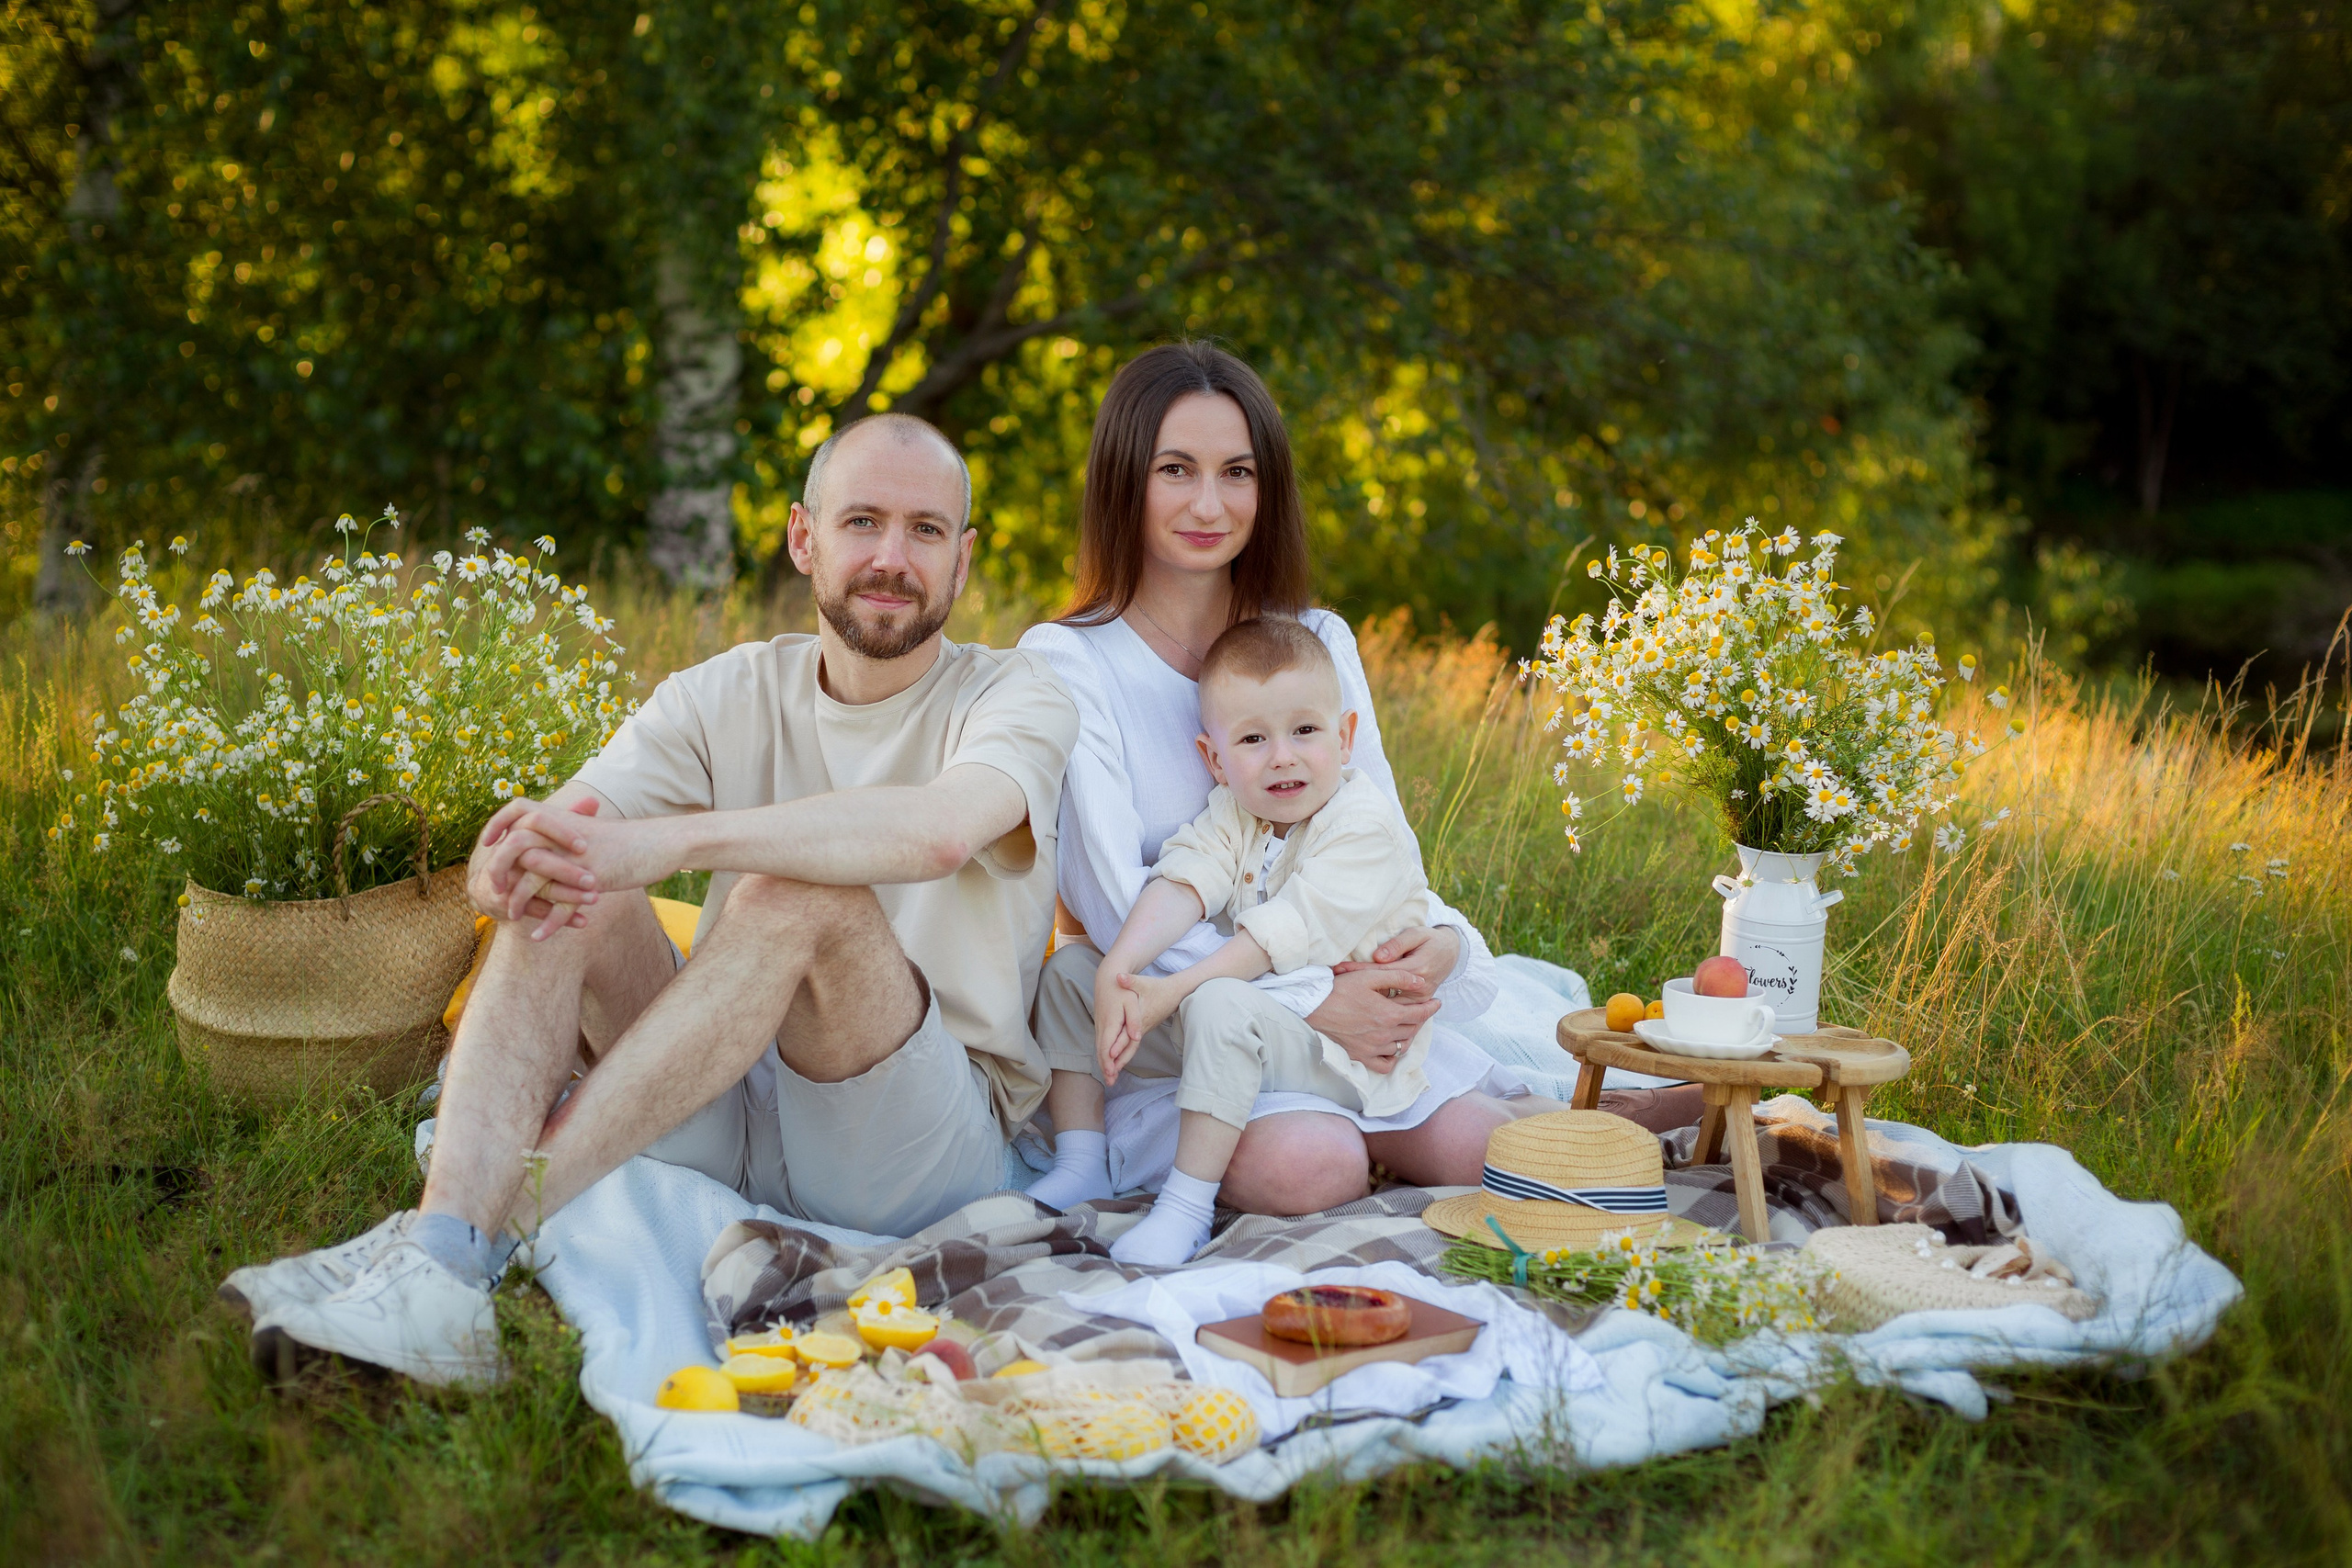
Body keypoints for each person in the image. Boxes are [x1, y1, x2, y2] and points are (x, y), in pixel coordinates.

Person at [219, 412, 1080, 1386]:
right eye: (862, 522)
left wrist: (673, 841)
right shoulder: (726, 690)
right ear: (804, 537)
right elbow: (574, 827)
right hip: (717, 1084)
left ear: (963, 562)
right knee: (567, 889)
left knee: (797, 898)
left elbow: (938, 831)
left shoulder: (1019, 694)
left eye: (926, 531)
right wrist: (513, 856)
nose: (892, 556)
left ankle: (468, 1243)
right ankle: (440, 1271)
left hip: (912, 1140)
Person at [1018, 343, 1699, 1220]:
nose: (1209, 503)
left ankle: (1601, 1119)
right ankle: (1369, 1140)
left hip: (1340, 996)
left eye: (1238, 472)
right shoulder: (1071, 661)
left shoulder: (1315, 642)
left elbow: (1379, 842)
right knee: (1316, 1169)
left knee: (1477, 1152)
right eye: (1175, 470)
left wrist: (1440, 945)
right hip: (1173, 1030)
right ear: (1123, 479)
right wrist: (1312, 1004)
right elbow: (1111, 904)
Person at [1080, 616, 1453, 1264]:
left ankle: (1184, 1209)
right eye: (1254, 738)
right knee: (1076, 971)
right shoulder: (1238, 811)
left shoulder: (1364, 825)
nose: (1282, 754)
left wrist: (1172, 989)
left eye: (1305, 730)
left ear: (1344, 737)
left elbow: (1279, 933)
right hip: (1272, 1031)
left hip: (1351, 1047)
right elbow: (1186, 878)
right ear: (1215, 760)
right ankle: (1077, 1157)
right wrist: (1121, 963)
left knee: (1218, 1001)